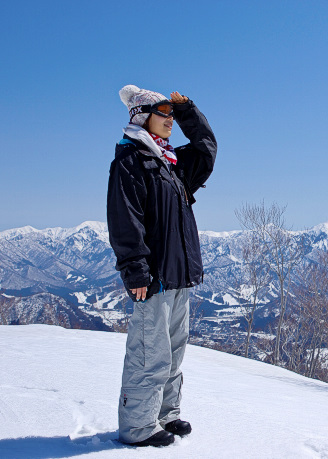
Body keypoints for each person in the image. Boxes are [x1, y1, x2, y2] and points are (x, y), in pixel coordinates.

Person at [107, 84, 217, 447]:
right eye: (164, 114)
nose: (170, 121)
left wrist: (189, 111)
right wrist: (135, 270)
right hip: (152, 277)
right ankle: (138, 427)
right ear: (142, 116)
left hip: (177, 276)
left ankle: (165, 415)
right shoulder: (131, 159)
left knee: (173, 350)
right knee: (149, 353)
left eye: (172, 115)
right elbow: (126, 217)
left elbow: (206, 150)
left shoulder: (170, 163)